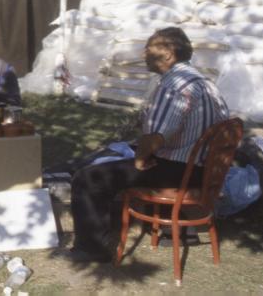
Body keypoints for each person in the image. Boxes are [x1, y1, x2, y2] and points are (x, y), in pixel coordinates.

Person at [67, 27, 230, 263]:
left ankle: (92, 249)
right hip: (204, 170)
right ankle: (179, 230)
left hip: (181, 171)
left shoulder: (173, 86)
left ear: (168, 53)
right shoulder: (205, 83)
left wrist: (141, 158)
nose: (143, 53)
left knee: (89, 177)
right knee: (134, 160)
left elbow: (155, 138)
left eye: (149, 47)